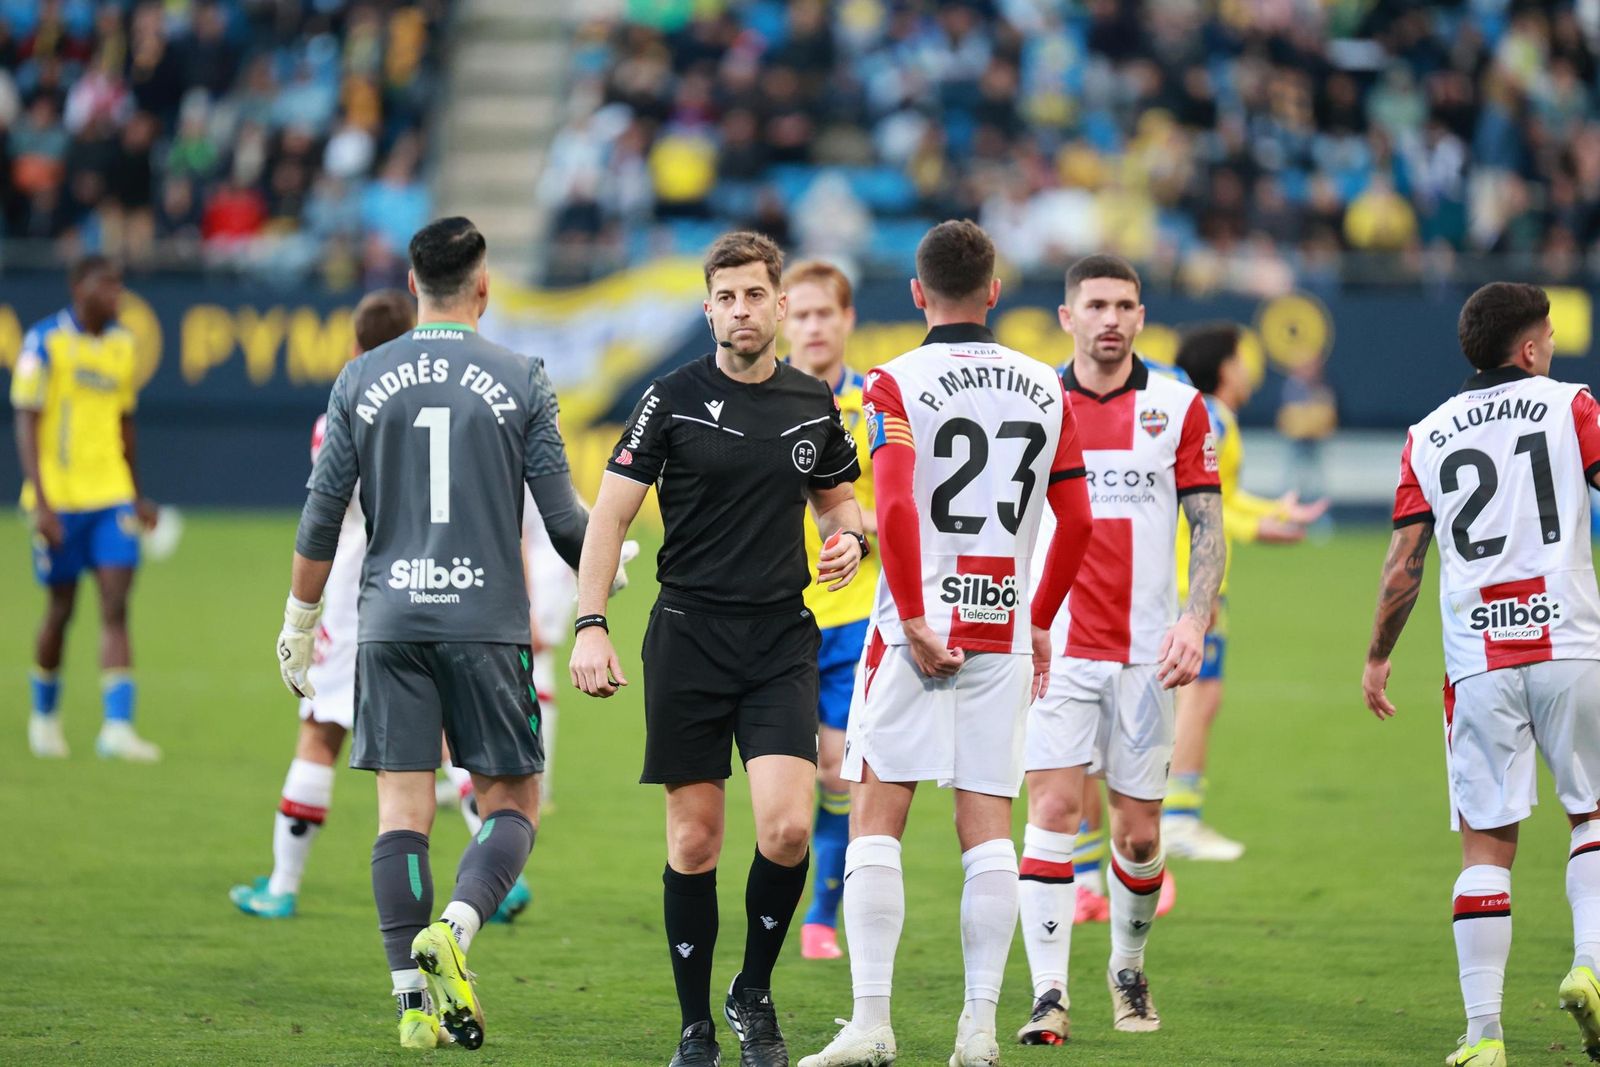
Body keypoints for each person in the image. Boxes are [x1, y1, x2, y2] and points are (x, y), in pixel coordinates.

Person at [275, 216, 594, 1052]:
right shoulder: (521, 375)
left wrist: (299, 621)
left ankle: (412, 1006)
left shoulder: (360, 378)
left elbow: (319, 516)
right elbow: (563, 522)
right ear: (483, 287)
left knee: (399, 813)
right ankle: (454, 925)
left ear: (414, 285)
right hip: (485, 624)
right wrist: (608, 566)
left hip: (389, 623)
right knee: (514, 800)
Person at [570, 231, 867, 1067]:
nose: (741, 309)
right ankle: (696, 1023)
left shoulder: (812, 401)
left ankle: (754, 991)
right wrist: (591, 623)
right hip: (689, 638)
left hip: (779, 640)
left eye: (754, 295)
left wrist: (848, 540)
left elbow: (839, 506)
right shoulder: (669, 397)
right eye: (726, 297)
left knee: (786, 829)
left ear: (779, 305)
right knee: (694, 840)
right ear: (709, 309)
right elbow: (610, 517)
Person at [800, 219, 1093, 1067]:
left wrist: (919, 615)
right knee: (987, 826)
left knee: (876, 823)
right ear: (995, 292)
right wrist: (1039, 620)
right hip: (1002, 625)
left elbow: (890, 504)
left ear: (918, 294)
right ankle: (976, 1030)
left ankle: (872, 1024)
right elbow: (1076, 519)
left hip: (911, 631)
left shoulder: (894, 381)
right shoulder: (1048, 386)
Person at [1362, 282, 1600, 1067]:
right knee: (1593, 814)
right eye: (1551, 336)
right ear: (1528, 348)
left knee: (1485, 846)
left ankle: (1484, 1036)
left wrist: (1377, 653)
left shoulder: (1425, 434)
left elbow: (1404, 564)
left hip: (1477, 666)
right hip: (1569, 644)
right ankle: (1592, 964)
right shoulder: (1571, 405)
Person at [1015, 254, 1224, 1044]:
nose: (1111, 318)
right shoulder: (1035, 403)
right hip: (1055, 649)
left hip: (1146, 651)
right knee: (1056, 810)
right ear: (1067, 316)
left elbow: (1207, 526)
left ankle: (1127, 963)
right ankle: (1049, 991)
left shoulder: (1178, 407)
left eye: (1125, 305)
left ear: (1142, 317)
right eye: (1095, 304)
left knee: (1138, 834)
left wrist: (1194, 620)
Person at [231, 288, 416, 919]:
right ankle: (500, 871)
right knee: (441, 740)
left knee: (320, 731)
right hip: (431, 586)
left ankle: (281, 887)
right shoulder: (442, 403)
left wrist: (299, 617)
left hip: (354, 594)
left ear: (355, 345)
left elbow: (326, 516)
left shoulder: (345, 410)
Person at [1163, 323, 1328, 860]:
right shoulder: (1214, 419)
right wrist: (1262, 526)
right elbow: (1208, 503)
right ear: (1226, 367)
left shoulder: (1198, 415)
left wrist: (1274, 512)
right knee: (1200, 694)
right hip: (1195, 581)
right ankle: (1178, 819)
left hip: (1175, 576)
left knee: (1183, 697)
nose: (1250, 367)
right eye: (1243, 357)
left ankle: (1162, 815)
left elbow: (1221, 496)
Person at [14, 254, 162, 762]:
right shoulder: (43, 343)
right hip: (59, 501)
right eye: (108, 285)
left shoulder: (123, 345)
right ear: (80, 288)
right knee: (60, 610)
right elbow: (26, 420)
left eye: (121, 286)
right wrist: (41, 502)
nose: (117, 295)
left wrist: (138, 494)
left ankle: (117, 729)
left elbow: (125, 423)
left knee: (116, 606)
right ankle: (44, 717)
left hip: (111, 497)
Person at [781, 259, 878, 961]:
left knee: (837, 765)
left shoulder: (878, 405)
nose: (815, 325)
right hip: (772, 614)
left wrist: (854, 522)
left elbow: (907, 509)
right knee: (782, 775)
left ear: (847, 319)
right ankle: (780, 903)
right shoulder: (760, 398)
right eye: (803, 313)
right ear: (785, 319)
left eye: (827, 313)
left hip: (853, 612)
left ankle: (822, 911)